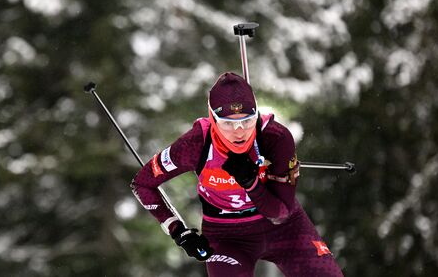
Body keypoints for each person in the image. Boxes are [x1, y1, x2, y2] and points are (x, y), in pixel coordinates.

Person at [131, 72, 344, 276]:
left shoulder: (275, 138)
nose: (239, 131)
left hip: (285, 230)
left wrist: (251, 183)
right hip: (226, 237)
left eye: (247, 120)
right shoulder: (194, 144)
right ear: (213, 119)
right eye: (228, 123)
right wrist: (178, 231)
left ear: (257, 114)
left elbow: (281, 213)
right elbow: (142, 184)